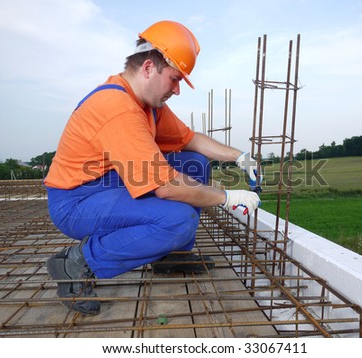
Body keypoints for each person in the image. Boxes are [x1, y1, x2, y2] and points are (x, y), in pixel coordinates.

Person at [44, 20, 261, 315]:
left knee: (195, 163)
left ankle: (170, 255)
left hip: (110, 181)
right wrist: (226, 197)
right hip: (77, 200)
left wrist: (240, 157)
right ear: (148, 68)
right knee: (178, 219)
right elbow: (167, 187)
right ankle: (78, 262)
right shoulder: (117, 108)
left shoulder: (147, 103)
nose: (177, 89)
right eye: (174, 79)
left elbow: (189, 139)